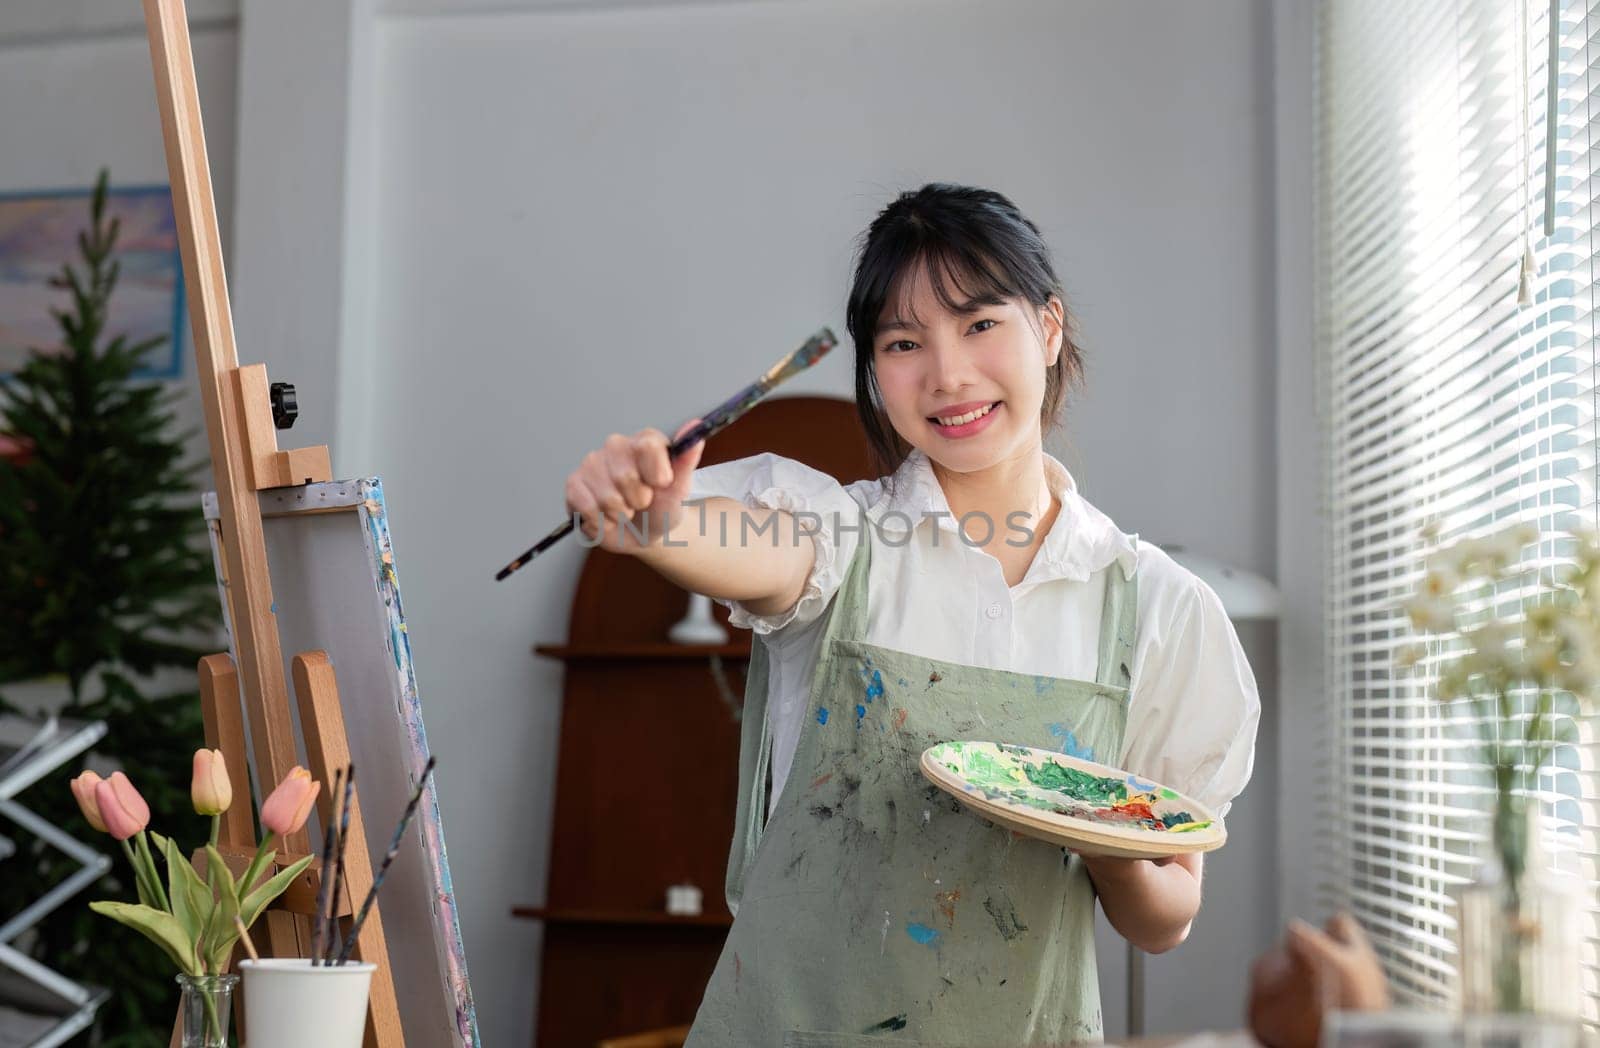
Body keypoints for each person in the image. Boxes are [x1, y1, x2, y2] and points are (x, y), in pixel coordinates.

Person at [562, 183, 1261, 1045]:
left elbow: (1167, 917)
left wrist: (1107, 845)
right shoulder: (847, 535)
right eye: (904, 342)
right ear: (874, 372)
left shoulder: (1158, 608)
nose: (948, 374)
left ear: (1047, 329)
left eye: (978, 325)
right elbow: (747, 544)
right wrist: (656, 519)